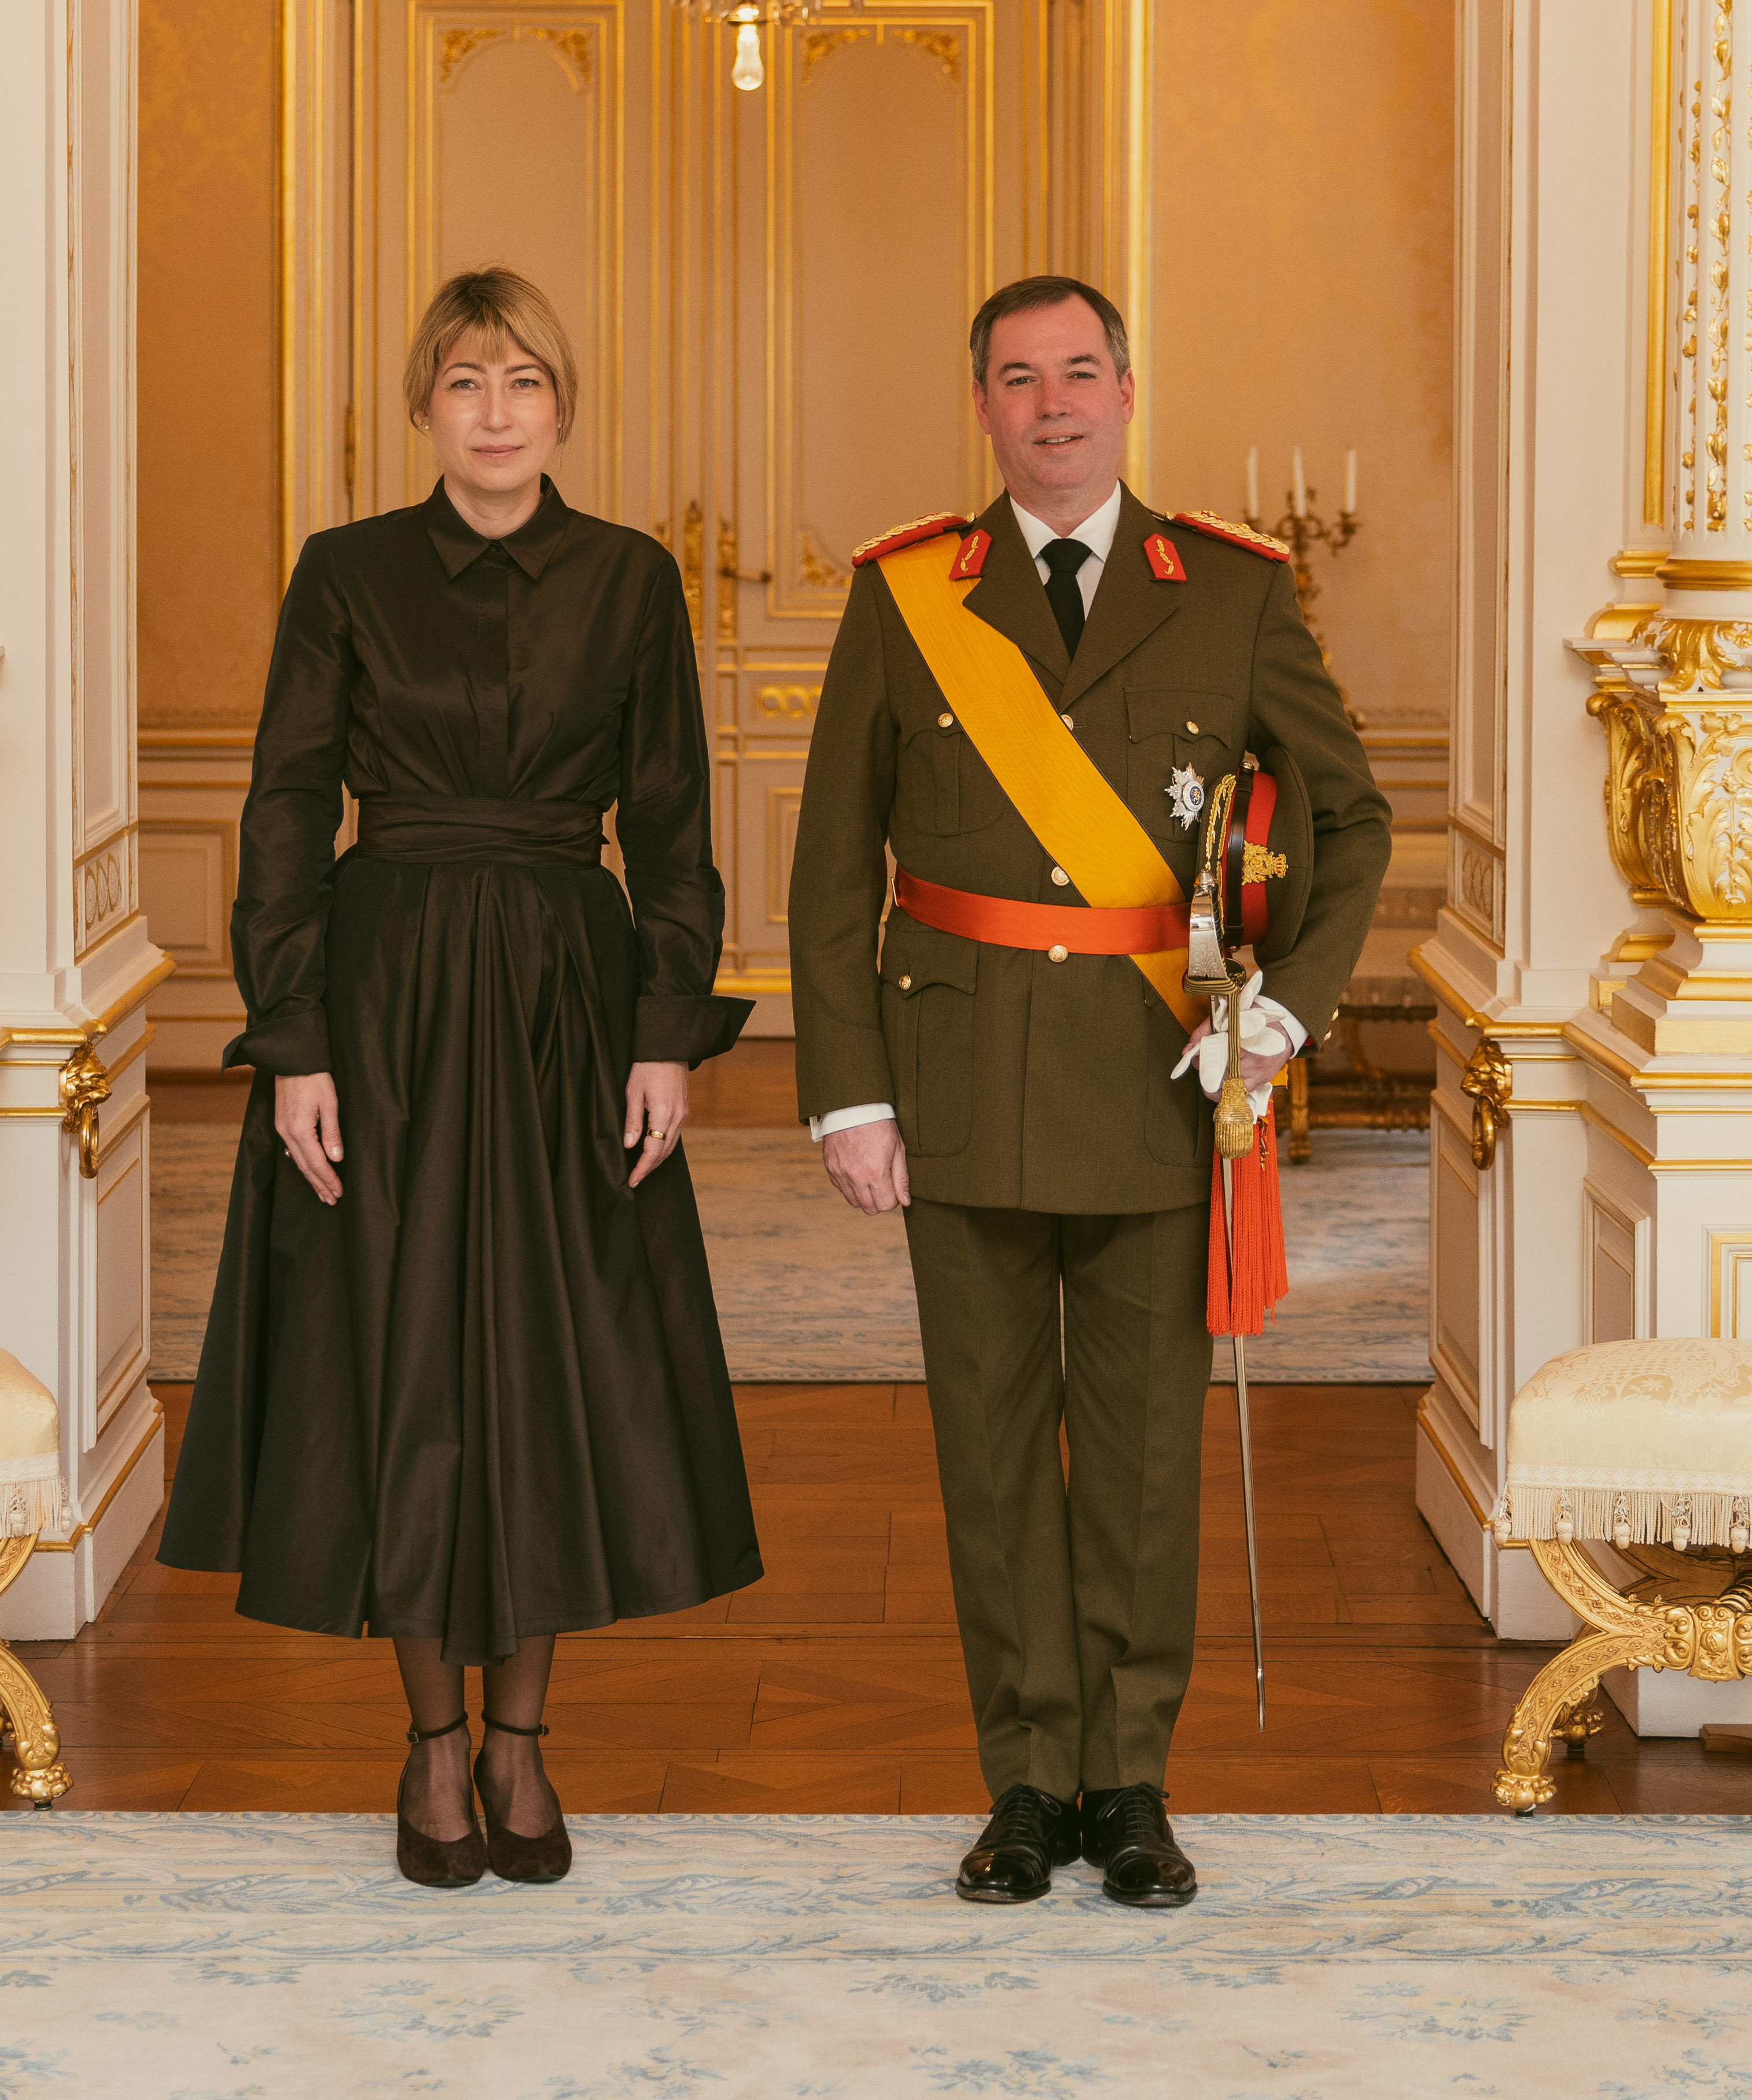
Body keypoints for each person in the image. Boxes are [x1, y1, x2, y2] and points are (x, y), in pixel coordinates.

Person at [786, 275, 1390, 1910]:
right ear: (978, 405)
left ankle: (1129, 1784)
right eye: (1015, 378)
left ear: (1129, 389)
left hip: (1155, 1083)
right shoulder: (911, 593)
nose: (1051, 405)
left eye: (1078, 373)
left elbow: (1353, 824)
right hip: (961, 1076)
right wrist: (848, 1093)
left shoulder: (1234, 592)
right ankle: (1023, 1786)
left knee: (1138, 1456)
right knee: (987, 1455)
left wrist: (1279, 1020)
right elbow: (834, 860)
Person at [160, 267, 761, 1892]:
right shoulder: (345, 574)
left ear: (562, 406)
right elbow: (284, 810)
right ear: (424, 409)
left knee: (554, 1362)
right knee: (401, 1362)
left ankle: (524, 1743)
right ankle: (430, 1745)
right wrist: (291, 1041)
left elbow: (677, 831)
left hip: (572, 999)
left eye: (524, 384)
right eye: (465, 385)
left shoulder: (631, 581)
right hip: (387, 998)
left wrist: (663, 1031)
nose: (496, 414)